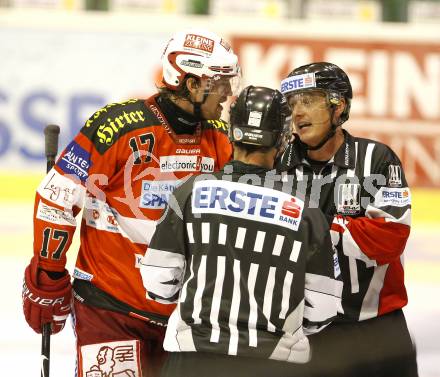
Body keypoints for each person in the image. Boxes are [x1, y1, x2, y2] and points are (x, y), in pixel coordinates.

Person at [21, 29, 240, 377]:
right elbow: (57, 198)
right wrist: (49, 272)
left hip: (184, 319)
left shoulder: (220, 137)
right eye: (220, 82)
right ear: (189, 82)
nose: (228, 93)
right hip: (109, 307)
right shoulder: (116, 127)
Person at [140, 86, 342, 377]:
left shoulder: (190, 192)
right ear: (284, 139)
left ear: (232, 131)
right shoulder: (306, 212)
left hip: (193, 359)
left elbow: (157, 282)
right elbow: (322, 309)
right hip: (273, 364)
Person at [278, 62, 418, 377]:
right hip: (303, 333)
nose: (298, 112)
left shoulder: (378, 159)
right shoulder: (277, 164)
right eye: (292, 103)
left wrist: (312, 227)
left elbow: (390, 237)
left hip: (378, 331)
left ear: (338, 105)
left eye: (308, 100)